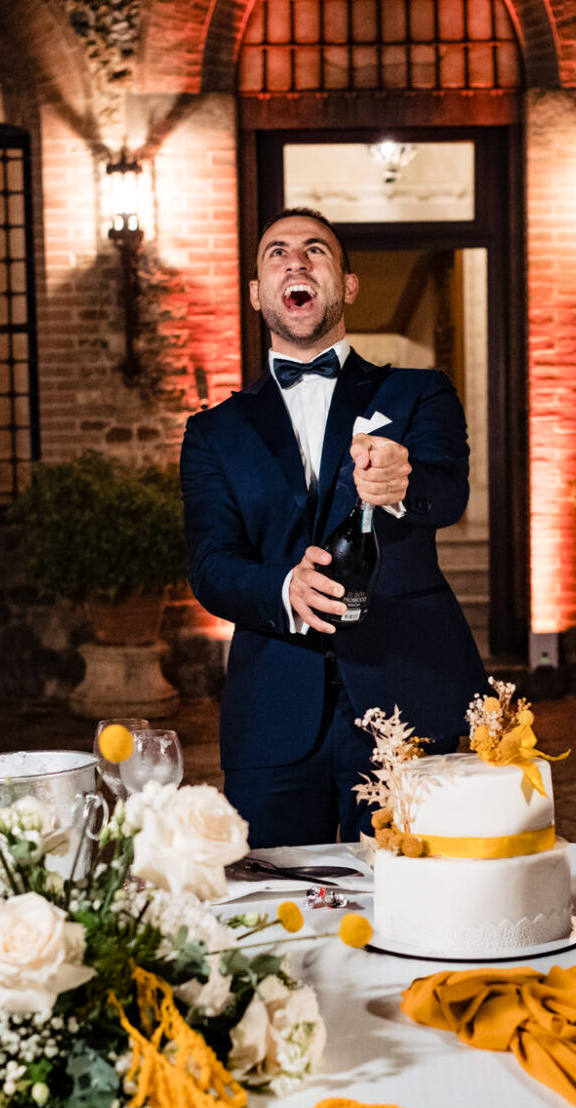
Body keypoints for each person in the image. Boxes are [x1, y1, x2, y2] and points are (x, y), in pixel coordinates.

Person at [181, 208, 486, 847]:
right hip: (271, 708)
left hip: (406, 692)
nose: (296, 261)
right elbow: (212, 565)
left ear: (346, 284)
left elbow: (448, 493)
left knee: (415, 894)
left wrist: (404, 484)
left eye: (315, 250)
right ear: (256, 293)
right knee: (277, 907)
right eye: (277, 253)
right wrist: (282, 590)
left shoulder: (419, 393)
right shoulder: (214, 432)